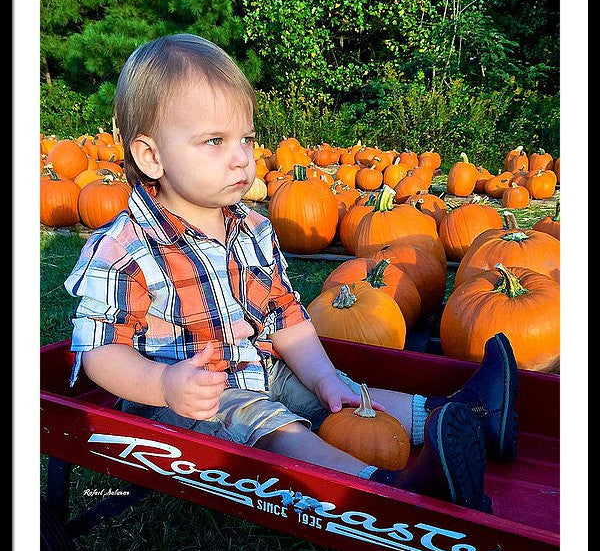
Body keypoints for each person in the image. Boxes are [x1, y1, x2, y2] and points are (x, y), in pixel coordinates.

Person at [64, 34, 519, 514]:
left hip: (262, 369)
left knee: (340, 393)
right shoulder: (123, 248)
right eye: (214, 142)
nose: (242, 157)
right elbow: (100, 351)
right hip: (183, 402)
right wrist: (163, 385)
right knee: (271, 423)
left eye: (247, 138)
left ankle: (472, 418)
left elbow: (284, 316)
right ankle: (389, 489)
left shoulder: (253, 227)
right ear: (151, 156)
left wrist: (324, 378)